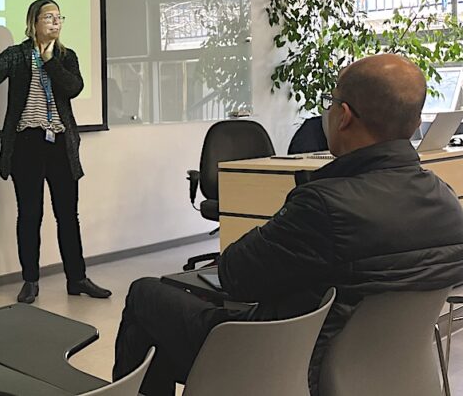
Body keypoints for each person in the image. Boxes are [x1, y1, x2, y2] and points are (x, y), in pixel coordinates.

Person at [112, 53, 463, 395]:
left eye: (330, 101)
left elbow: (235, 276)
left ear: (343, 116)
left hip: (288, 364)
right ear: (416, 124)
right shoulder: (446, 200)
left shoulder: (325, 206)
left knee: (147, 295)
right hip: (384, 369)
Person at [0, 0, 111, 303]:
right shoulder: (17, 55)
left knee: (67, 215)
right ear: (33, 22)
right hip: (27, 145)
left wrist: (49, 61)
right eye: (48, 17)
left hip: (60, 143)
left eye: (58, 16)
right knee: (30, 215)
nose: (55, 21)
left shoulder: (65, 56)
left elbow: (73, 88)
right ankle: (31, 281)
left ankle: (77, 279)